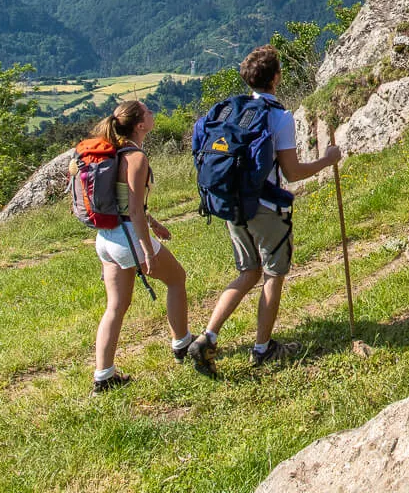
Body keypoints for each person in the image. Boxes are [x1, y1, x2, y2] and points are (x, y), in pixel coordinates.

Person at [185, 46, 340, 369]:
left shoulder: (229, 113)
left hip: (231, 204)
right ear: (276, 78)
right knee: (273, 274)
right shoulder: (278, 117)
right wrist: (327, 160)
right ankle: (263, 348)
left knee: (247, 272)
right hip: (266, 207)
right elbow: (292, 172)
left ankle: (207, 337)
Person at [89, 99, 195, 392]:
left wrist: (154, 222)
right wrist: (147, 249)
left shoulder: (113, 152)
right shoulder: (135, 158)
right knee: (177, 279)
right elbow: (133, 209)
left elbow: (125, 202)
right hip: (128, 240)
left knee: (116, 305)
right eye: (148, 112)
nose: (153, 114)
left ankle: (104, 376)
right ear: (139, 125)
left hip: (106, 239)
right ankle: (182, 344)